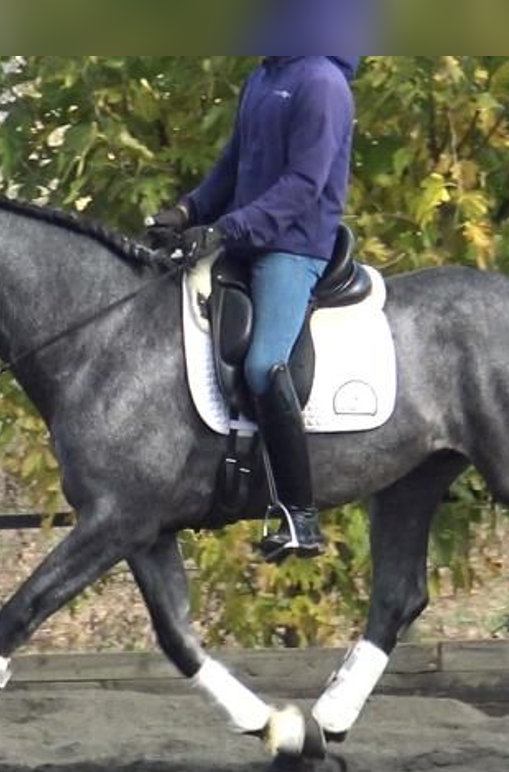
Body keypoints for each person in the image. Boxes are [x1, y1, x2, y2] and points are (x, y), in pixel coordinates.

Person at [147, 55, 359, 562]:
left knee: (265, 364)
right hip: (246, 242)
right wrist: (186, 211)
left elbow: (303, 186)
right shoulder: (264, 77)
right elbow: (231, 167)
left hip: (294, 245)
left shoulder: (322, 83)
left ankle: (300, 517)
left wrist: (225, 229)